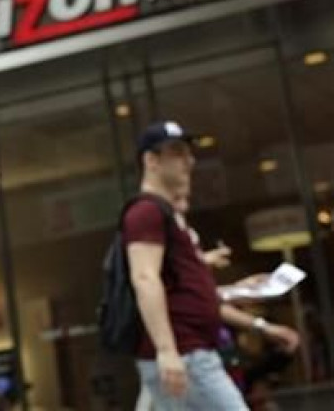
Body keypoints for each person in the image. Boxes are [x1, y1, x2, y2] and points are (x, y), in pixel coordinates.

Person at [124, 121, 297, 410]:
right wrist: (167, 351)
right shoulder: (147, 213)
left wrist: (238, 292)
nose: (188, 161)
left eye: (188, 153)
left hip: (192, 353)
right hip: (187, 354)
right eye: (177, 153)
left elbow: (186, 293)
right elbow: (144, 277)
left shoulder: (166, 221)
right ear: (151, 161)